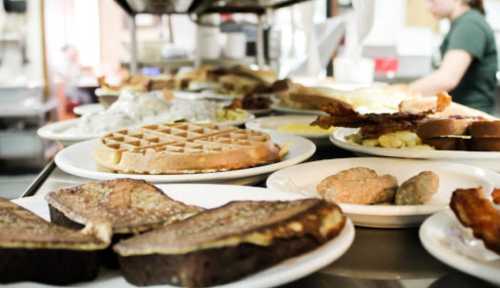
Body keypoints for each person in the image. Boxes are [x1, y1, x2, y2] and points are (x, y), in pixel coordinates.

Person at [410, 0, 498, 114]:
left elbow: (446, 79)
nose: (427, 7)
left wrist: (399, 93)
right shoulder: (462, 23)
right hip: (464, 116)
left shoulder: (470, 24)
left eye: (431, 0)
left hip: (473, 120)